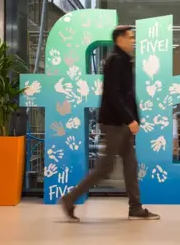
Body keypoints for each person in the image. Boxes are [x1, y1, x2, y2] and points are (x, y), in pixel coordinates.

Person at [59, 25, 160, 222]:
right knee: (105, 168)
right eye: (130, 37)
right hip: (114, 123)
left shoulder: (123, 60)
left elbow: (127, 94)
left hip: (121, 123)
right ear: (119, 39)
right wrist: (129, 119)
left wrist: (135, 119)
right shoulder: (115, 60)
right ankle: (69, 199)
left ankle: (136, 208)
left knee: (130, 165)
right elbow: (113, 95)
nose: (133, 41)